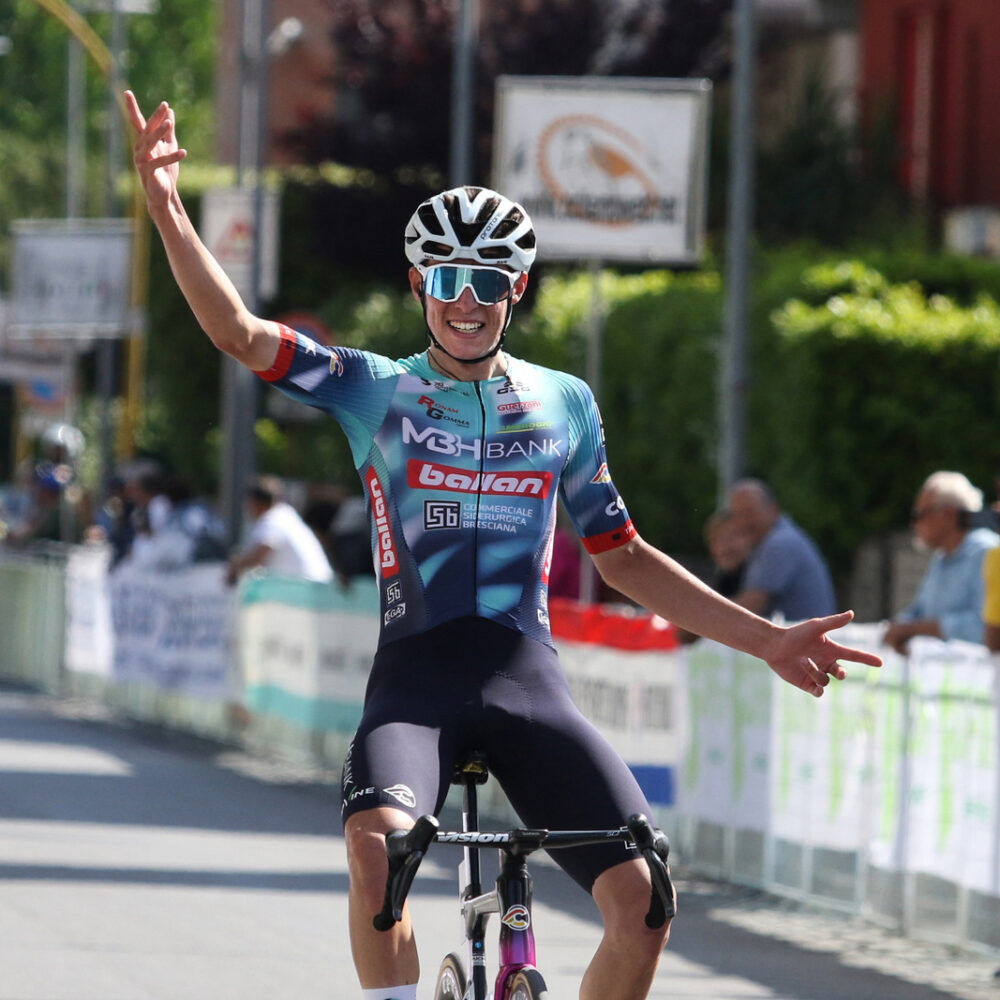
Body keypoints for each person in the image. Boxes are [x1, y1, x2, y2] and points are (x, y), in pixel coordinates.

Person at [126, 91, 881, 1000]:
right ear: (419, 288)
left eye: (489, 282)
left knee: (646, 905)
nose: (468, 302)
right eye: (448, 280)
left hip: (529, 685)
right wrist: (168, 206)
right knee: (377, 854)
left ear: (516, 290)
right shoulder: (374, 391)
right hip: (416, 683)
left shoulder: (566, 402)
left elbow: (624, 554)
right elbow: (239, 335)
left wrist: (766, 640)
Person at [884, 471, 999, 653]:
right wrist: (897, 627)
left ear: (948, 514)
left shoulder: (988, 552)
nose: (914, 524)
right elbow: (920, 611)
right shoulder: (942, 557)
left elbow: (986, 628)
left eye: (919, 514)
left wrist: (913, 630)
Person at [726, 478, 837, 621]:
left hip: (804, 639)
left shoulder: (779, 544)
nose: (743, 521)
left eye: (749, 513)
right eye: (737, 515)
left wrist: (694, 622)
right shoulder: (771, 539)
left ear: (773, 509)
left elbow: (745, 611)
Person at [226, 475, 334, 584]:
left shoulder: (272, 520)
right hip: (320, 586)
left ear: (255, 503)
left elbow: (259, 557)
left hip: (305, 589)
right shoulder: (285, 515)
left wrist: (237, 565)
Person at [674, 508, 752, 644]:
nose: (726, 547)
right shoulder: (722, 578)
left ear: (750, 539)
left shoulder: (759, 574)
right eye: (717, 539)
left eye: (732, 537)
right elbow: (684, 636)